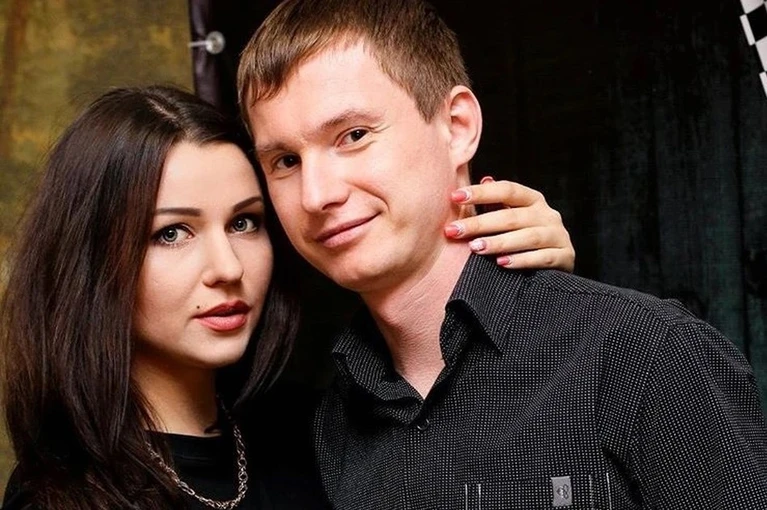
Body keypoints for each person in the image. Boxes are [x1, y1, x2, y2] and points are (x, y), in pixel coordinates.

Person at [237, 0, 767, 508]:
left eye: (353, 135)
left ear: (457, 127)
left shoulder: (644, 355)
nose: (316, 194)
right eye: (285, 161)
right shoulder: (332, 428)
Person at [0, 85, 575, 508]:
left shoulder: (323, 428)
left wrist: (539, 295)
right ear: (93, 261)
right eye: (172, 233)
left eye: (244, 223)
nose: (227, 268)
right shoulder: (58, 494)